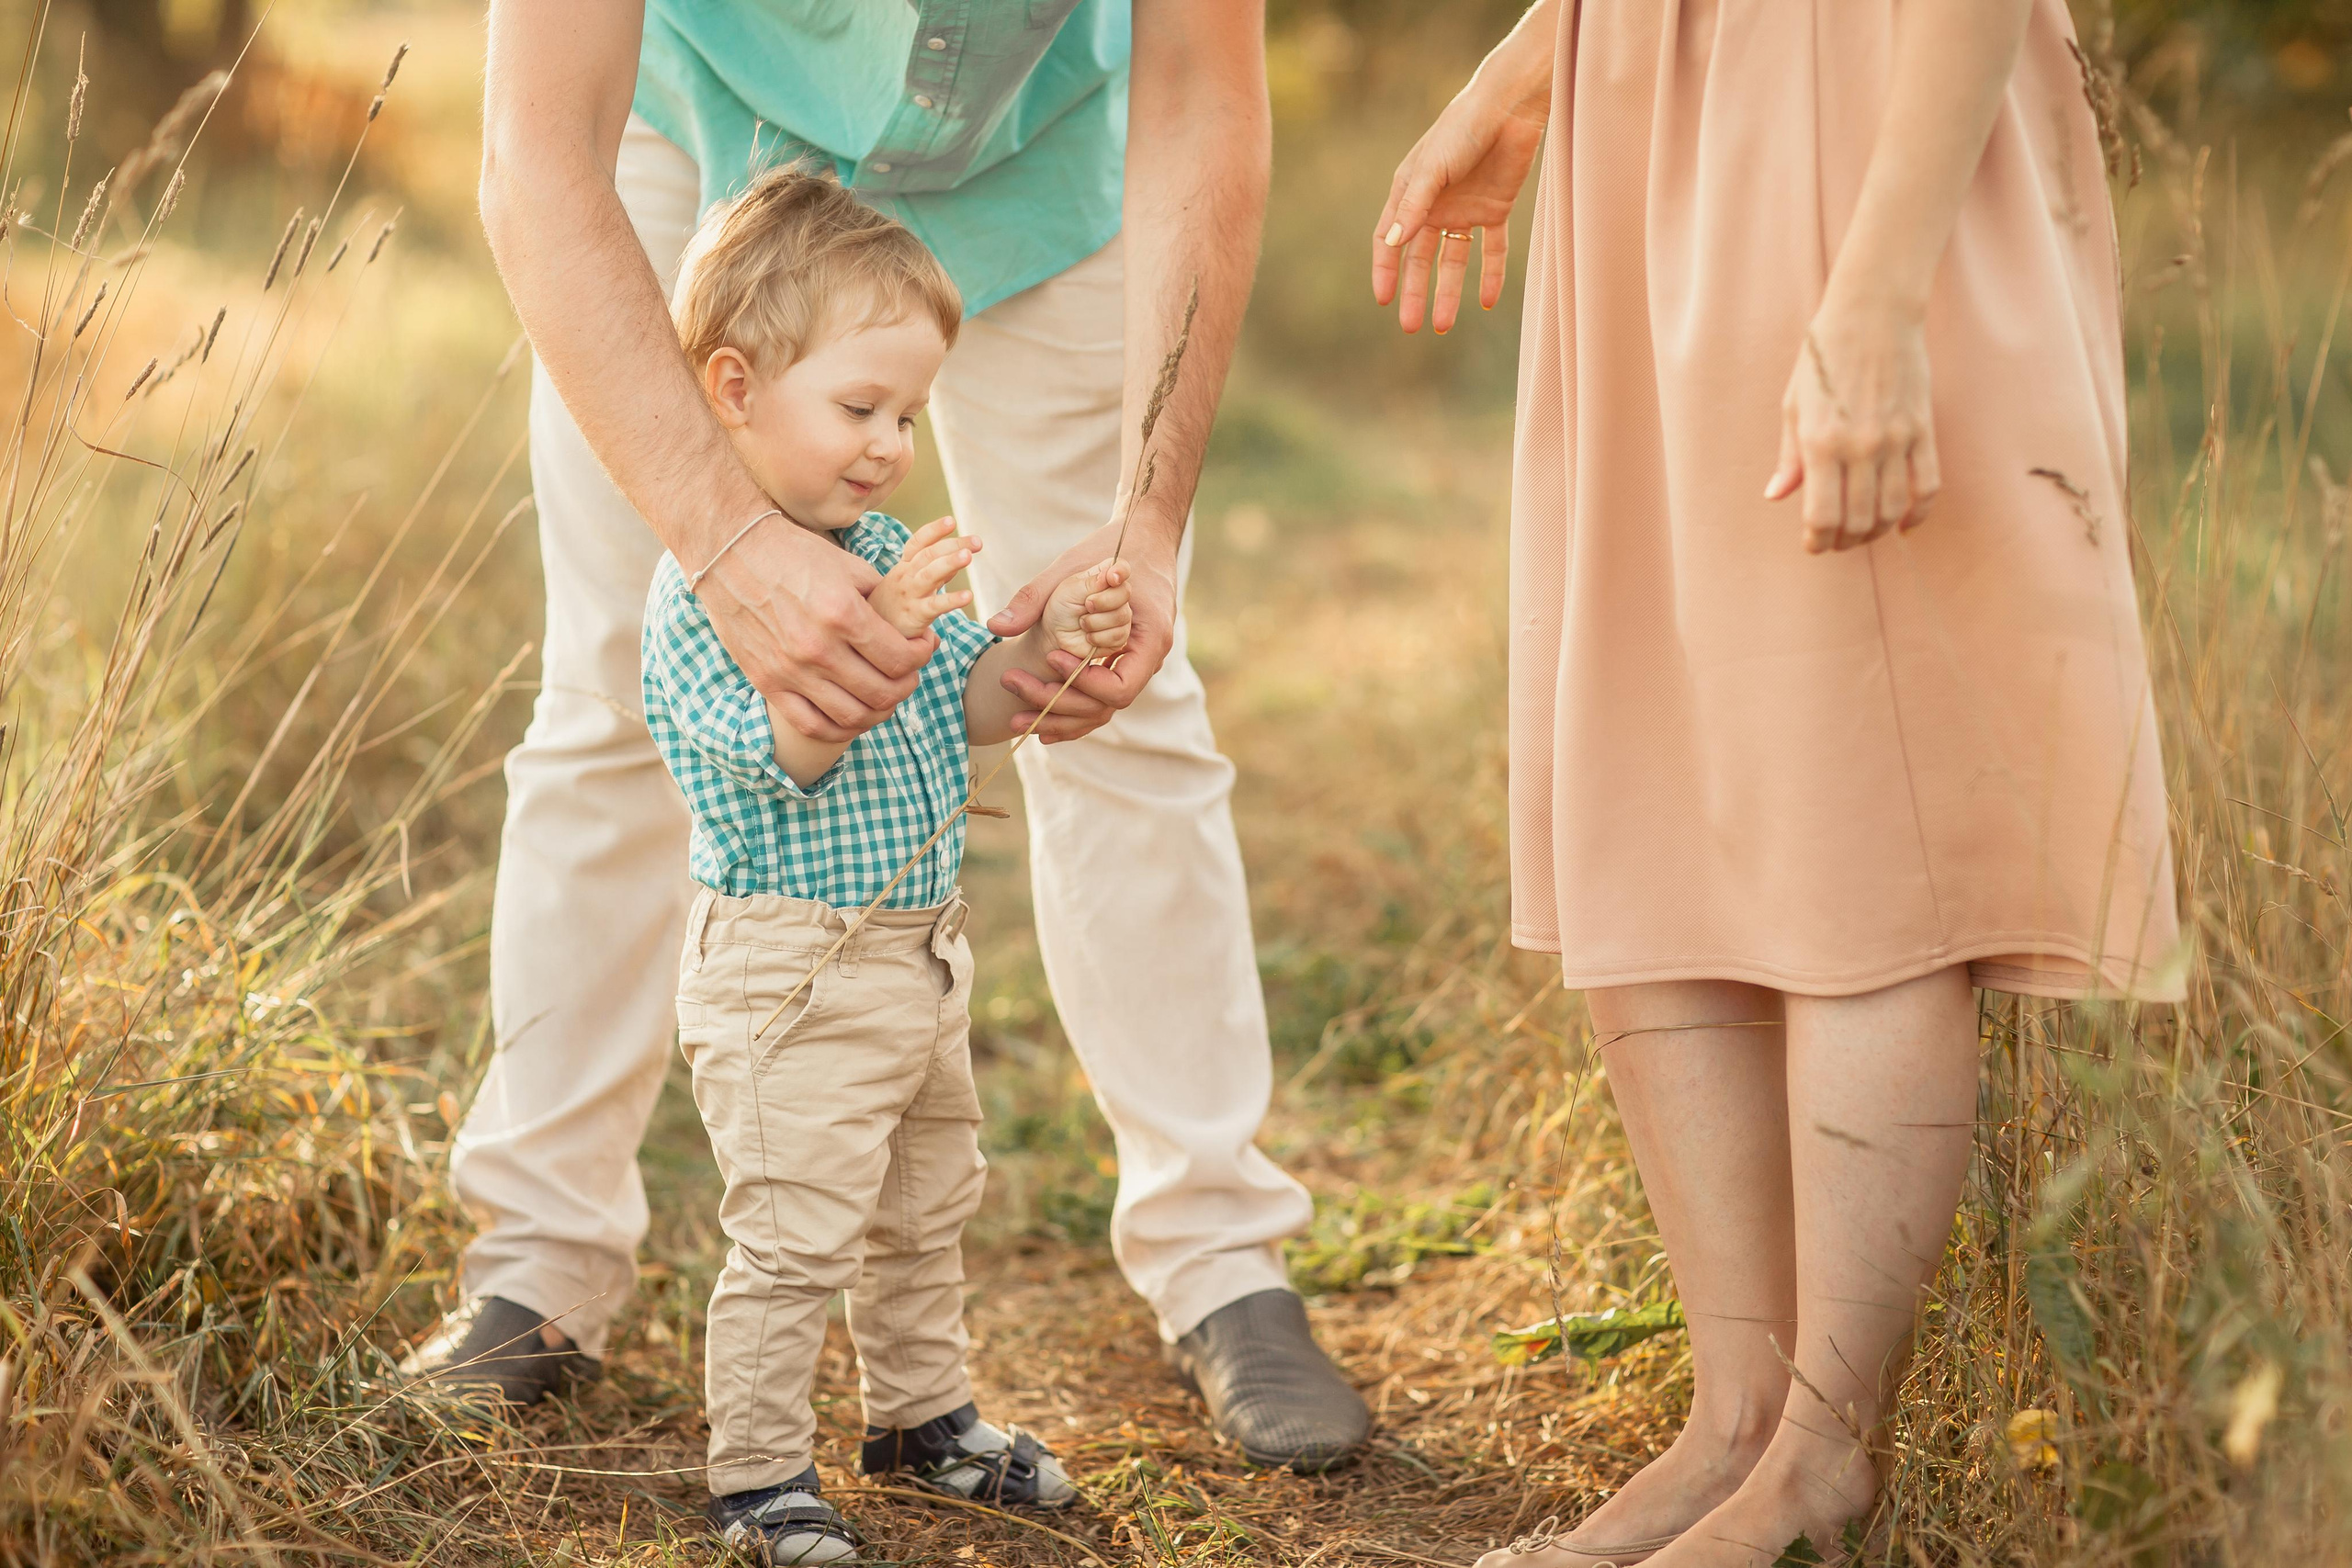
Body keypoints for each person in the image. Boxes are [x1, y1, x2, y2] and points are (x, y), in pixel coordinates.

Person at [401, 0, 1372, 1473]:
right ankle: (538, 1262)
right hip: (701, 137)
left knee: (1113, 677)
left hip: (1040, 168)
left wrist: (1149, 516)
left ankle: (1221, 1256)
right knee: (613, 683)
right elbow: (536, 148)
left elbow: (1203, 97)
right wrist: (728, 542)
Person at [1374, 2, 2180, 1563]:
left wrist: (1877, 298)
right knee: (1652, 764)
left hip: (1860, 122)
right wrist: (1532, 59)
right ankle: (1736, 1421)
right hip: (1645, 113)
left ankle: (1821, 1452)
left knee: (1849, 797)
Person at [644, 165, 1125, 1562]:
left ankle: (921, 1420)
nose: (889, 445)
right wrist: (895, 631)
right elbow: (783, 752)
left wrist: (1057, 641)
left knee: (925, 1205)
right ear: (734, 387)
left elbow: (977, 700)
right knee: (795, 1232)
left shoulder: (874, 552)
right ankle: (757, 1476)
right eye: (860, 408)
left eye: (908, 416)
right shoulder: (703, 594)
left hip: (917, 954)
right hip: (789, 972)